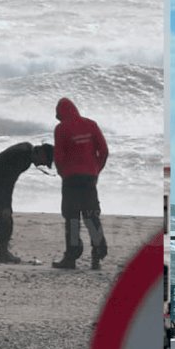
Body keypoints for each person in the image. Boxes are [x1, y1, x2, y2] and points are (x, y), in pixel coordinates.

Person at [51, 97, 109, 270]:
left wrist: (62, 174)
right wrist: (96, 170)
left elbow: (59, 156)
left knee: (72, 218)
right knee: (91, 215)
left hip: (71, 179)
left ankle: (71, 257)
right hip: (89, 178)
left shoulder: (61, 128)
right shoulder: (91, 124)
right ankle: (97, 254)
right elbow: (104, 151)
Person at [0, 142, 54, 264]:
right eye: (45, 160)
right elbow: (9, 181)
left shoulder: (26, 152)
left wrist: (7, 204)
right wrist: (7, 204)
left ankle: (2, 251)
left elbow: (8, 179)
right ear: (41, 152)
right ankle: (2, 253)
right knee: (4, 214)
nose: (43, 164)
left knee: (5, 214)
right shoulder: (22, 156)